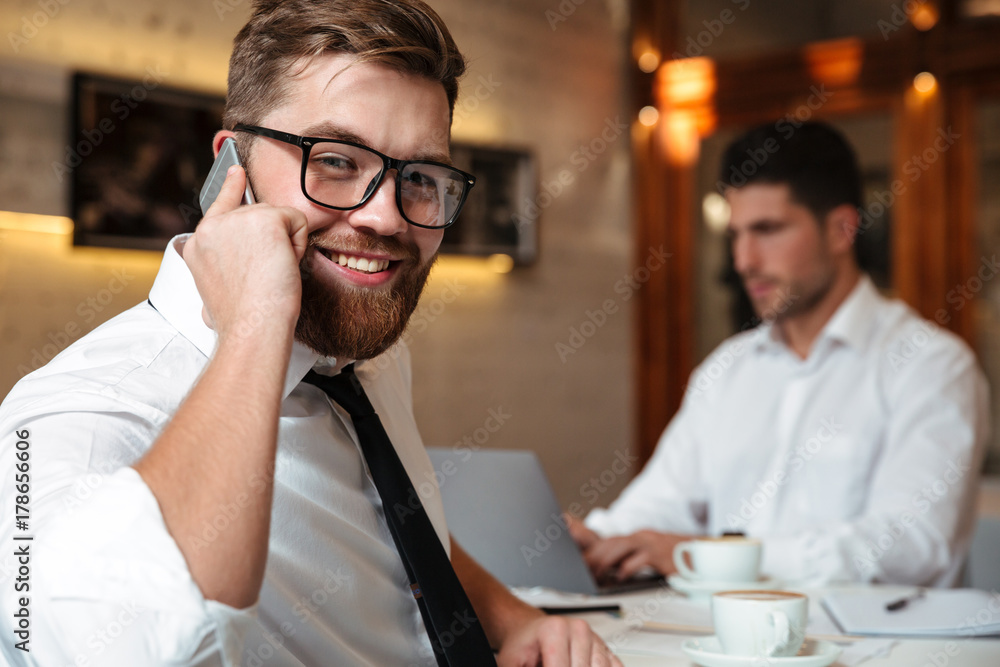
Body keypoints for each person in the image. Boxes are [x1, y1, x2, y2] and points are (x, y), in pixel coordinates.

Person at [0, 1, 620, 665]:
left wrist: (515, 617)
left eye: (419, 177)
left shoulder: (359, 355)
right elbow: (145, 647)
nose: (385, 217)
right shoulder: (71, 416)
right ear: (229, 170)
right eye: (334, 160)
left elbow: (392, 525)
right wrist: (255, 327)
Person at [568, 121, 989, 589]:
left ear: (841, 229)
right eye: (736, 235)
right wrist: (594, 538)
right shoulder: (727, 369)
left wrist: (701, 555)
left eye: (767, 230)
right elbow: (662, 501)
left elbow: (912, 547)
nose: (744, 260)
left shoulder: (931, 366)